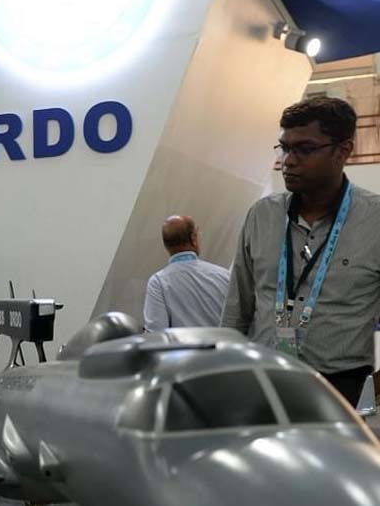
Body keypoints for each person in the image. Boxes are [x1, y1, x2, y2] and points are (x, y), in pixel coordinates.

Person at [221, 97, 380, 405]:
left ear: (343, 151)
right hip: (264, 382)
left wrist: (370, 394)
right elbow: (237, 310)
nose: (288, 161)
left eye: (305, 149)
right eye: (284, 148)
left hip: (342, 388)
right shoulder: (262, 215)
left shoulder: (374, 220)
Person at [144, 215, 230, 332]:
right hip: (226, 343)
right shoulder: (225, 276)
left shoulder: (158, 283)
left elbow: (156, 332)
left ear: (166, 246)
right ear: (193, 239)